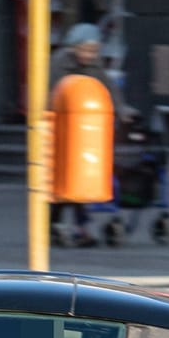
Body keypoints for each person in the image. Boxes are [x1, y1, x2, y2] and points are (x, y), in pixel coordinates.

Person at [47, 23, 115, 247]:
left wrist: (122, 111)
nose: (90, 55)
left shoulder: (95, 65)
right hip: (61, 131)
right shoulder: (59, 63)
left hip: (84, 134)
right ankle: (56, 226)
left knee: (79, 180)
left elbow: (109, 90)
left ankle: (79, 226)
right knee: (60, 183)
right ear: (73, 48)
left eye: (94, 51)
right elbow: (50, 93)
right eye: (86, 50)